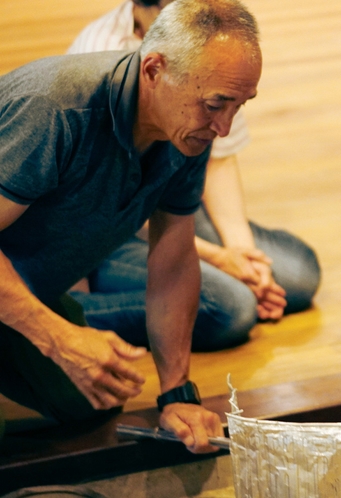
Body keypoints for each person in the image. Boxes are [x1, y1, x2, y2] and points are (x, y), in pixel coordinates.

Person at [0, 0, 263, 452]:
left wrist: (177, 392)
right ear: (154, 69)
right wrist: (59, 338)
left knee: (95, 400)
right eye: (216, 104)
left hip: (22, 287)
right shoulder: (55, 108)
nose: (224, 127)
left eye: (238, 105)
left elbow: (175, 256)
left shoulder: (185, 132)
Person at [66, 0, 321, 352]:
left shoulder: (213, 38)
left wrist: (242, 254)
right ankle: (69, 316)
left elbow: (219, 158)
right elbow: (109, 202)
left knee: (300, 275)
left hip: (167, 200)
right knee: (232, 308)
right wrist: (217, 259)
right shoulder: (100, 50)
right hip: (107, 229)